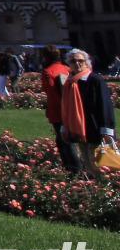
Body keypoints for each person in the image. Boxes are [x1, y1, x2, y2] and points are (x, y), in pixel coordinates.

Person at [60, 48, 116, 176]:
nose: (77, 63)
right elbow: (65, 108)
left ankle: (105, 185)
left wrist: (106, 130)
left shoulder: (95, 80)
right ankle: (96, 185)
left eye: (80, 60)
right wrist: (65, 127)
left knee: (100, 165)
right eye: (73, 61)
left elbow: (105, 105)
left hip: (95, 129)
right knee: (88, 165)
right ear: (69, 64)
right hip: (80, 131)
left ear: (86, 62)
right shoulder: (70, 82)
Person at [40, 44, 80, 173]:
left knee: (65, 141)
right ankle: (73, 167)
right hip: (72, 109)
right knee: (67, 140)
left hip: (58, 112)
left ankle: (74, 169)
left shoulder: (48, 72)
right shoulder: (67, 69)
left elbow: (51, 93)